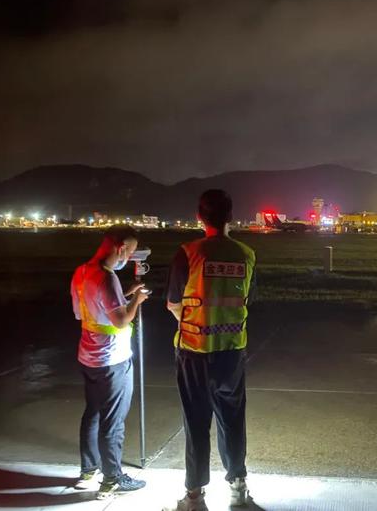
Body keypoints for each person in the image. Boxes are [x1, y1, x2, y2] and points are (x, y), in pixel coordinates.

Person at [165, 189, 256, 511]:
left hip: (194, 350)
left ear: (199, 217)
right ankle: (238, 485)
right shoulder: (246, 254)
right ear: (230, 216)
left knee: (196, 422)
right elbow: (245, 298)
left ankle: (194, 497)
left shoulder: (188, 252)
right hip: (232, 351)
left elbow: (174, 304)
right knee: (233, 419)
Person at [71, 225, 149, 499]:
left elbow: (85, 313)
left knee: (92, 412)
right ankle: (112, 479)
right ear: (120, 248)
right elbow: (119, 319)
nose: (129, 256)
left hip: (88, 357)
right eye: (129, 251)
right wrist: (137, 300)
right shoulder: (107, 278)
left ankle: (88, 471)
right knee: (113, 421)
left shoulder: (81, 272)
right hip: (113, 360)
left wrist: (124, 296)